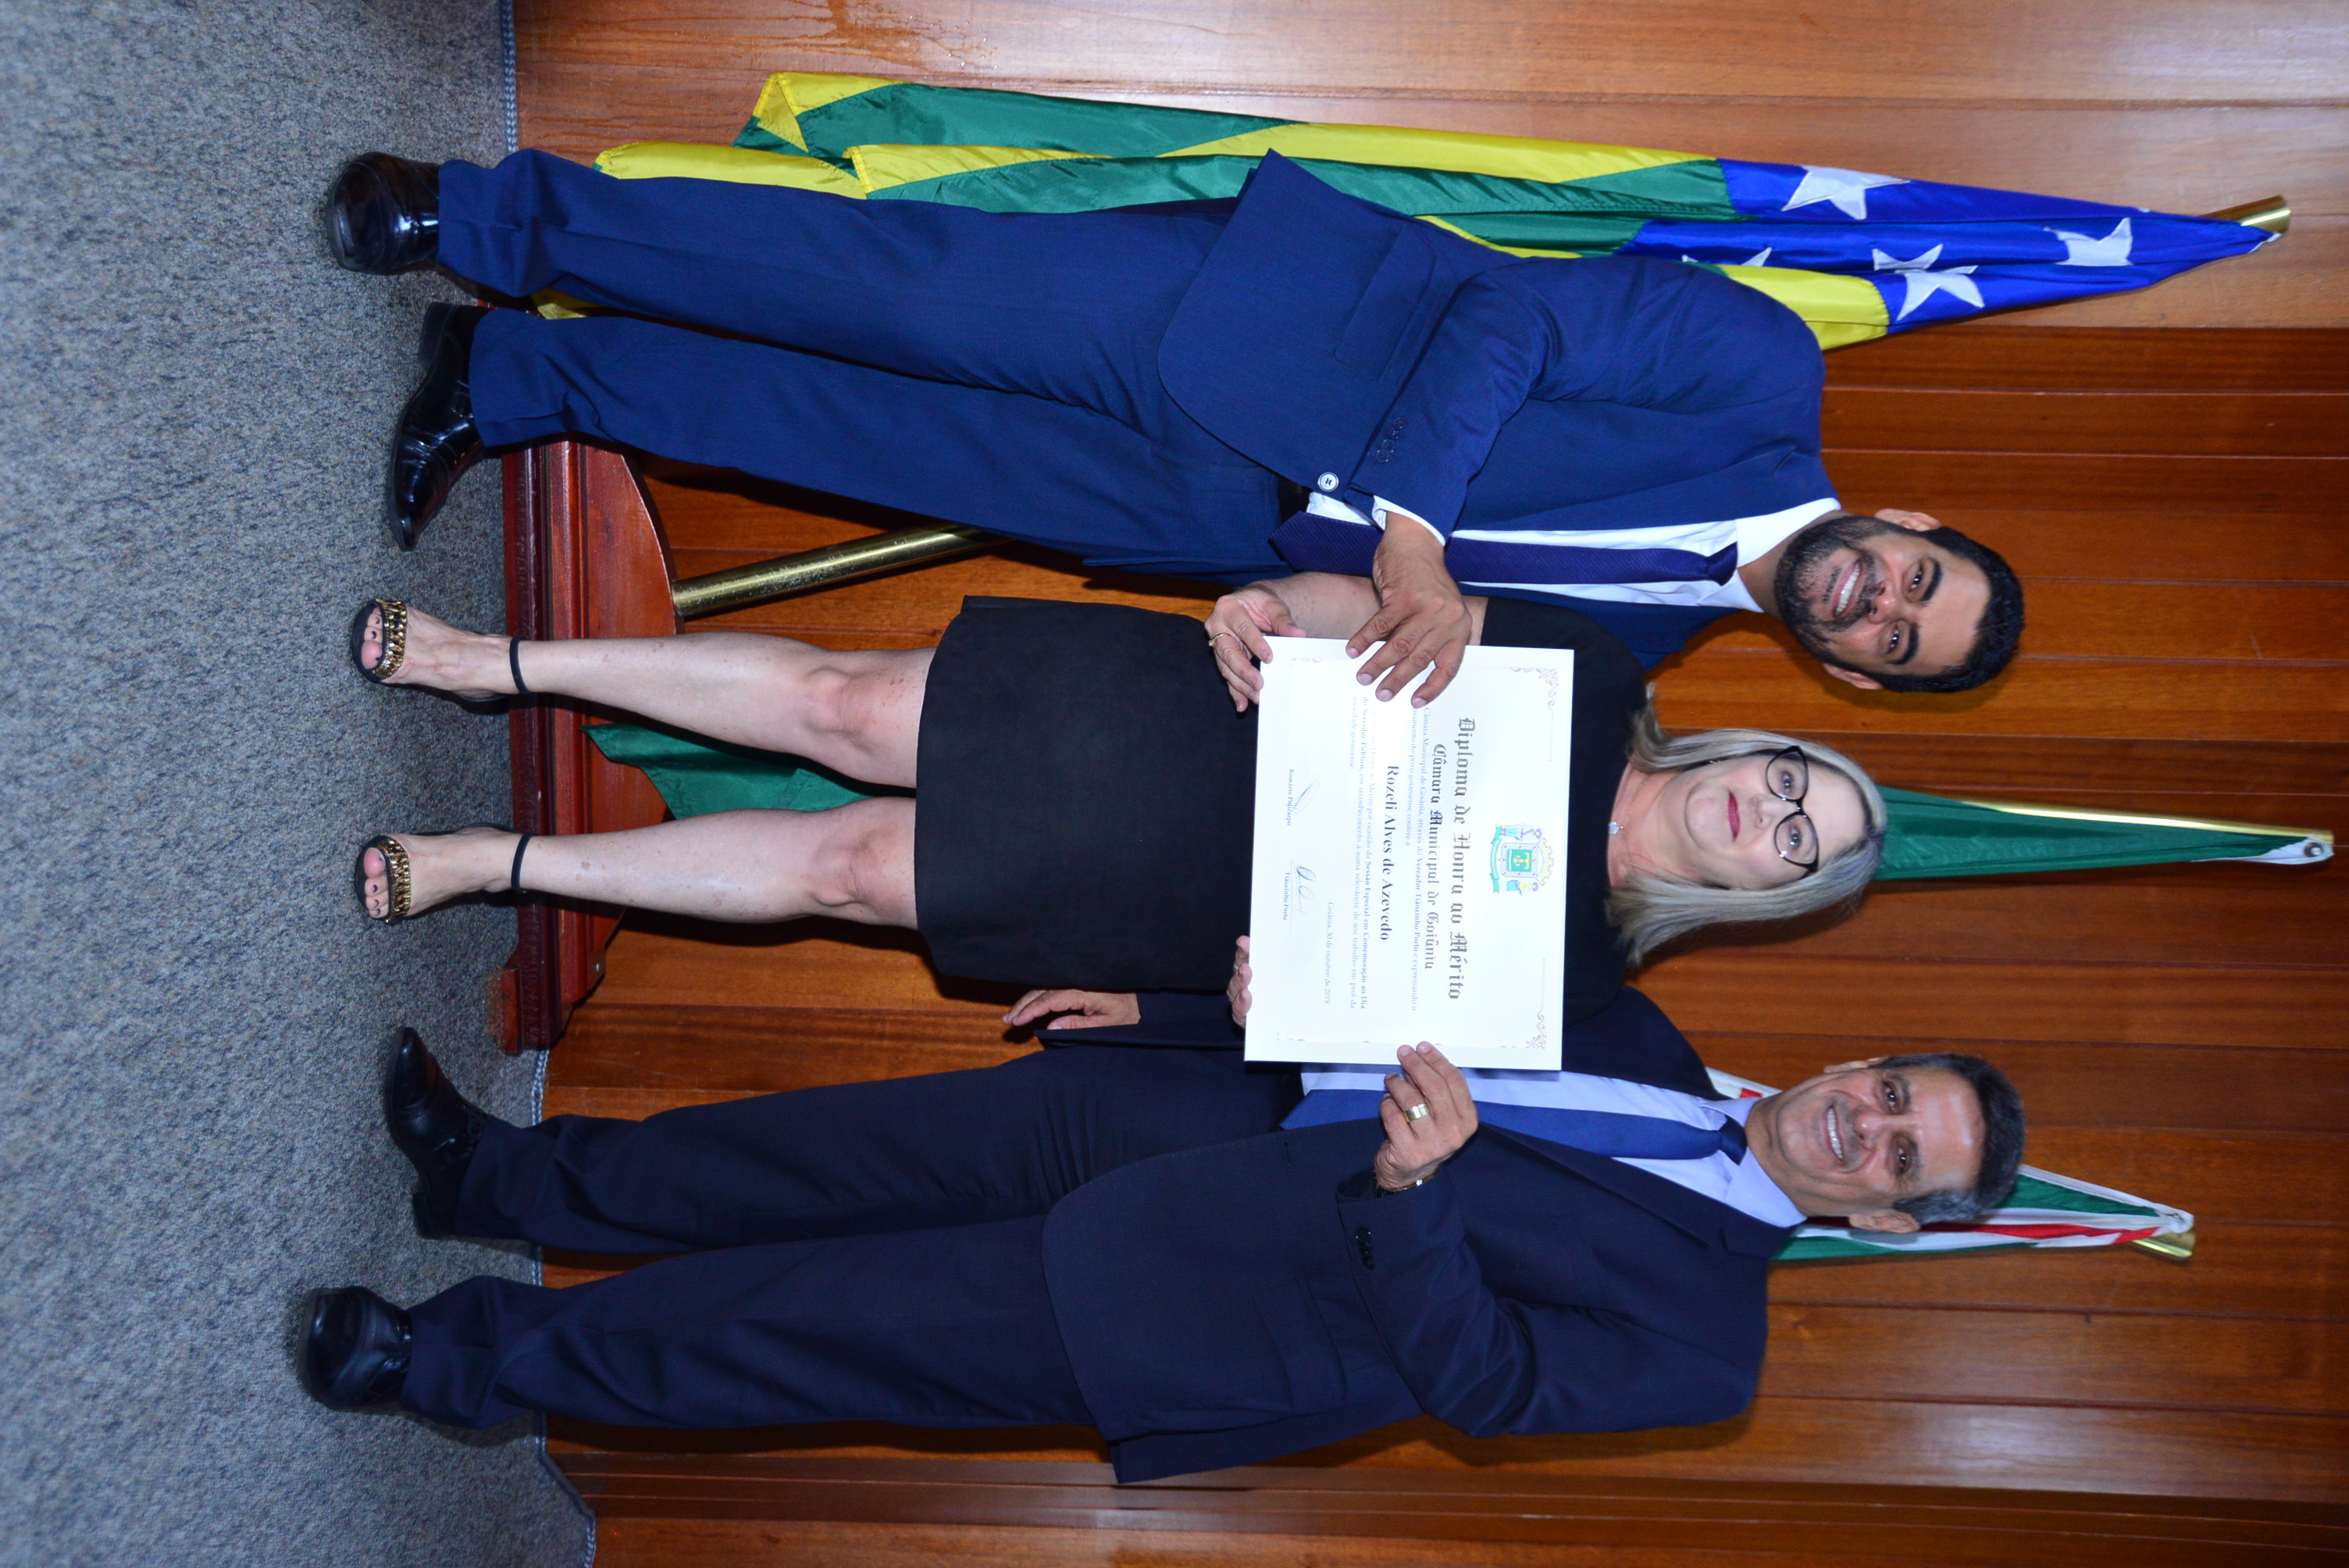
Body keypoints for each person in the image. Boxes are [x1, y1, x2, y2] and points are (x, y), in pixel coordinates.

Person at [323, 149, 2024, 701]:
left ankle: (506, 380)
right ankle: (479, 219)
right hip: (1250, 321)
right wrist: (1415, 534)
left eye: (1895, 637)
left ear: (1858, 678)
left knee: (842, 436)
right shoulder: (1761, 375)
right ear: (1917, 524)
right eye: (1913, 580)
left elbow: (1400, 628)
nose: (1877, 600)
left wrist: (1284, 616)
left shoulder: (1637, 655)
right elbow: (1511, 315)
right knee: (880, 288)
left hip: (1203, 513)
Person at [300, 1011, 2024, 1479]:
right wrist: (1176, 1004)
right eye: (1892, 1092)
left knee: (790, 1323)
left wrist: (1419, 1194)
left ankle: (451, 1363)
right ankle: (498, 1178)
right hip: (1183, 1108)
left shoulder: (1711, 1350)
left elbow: (1488, 1388)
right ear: (1863, 1059)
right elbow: (1394, 976)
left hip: (1186, 1308)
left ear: (1887, 1217)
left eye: (1900, 1157)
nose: (1865, 1125)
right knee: (803, 1156)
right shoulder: (1642, 1033)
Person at [347, 588, 1886, 1021]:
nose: (1770, 813)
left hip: (1170, 901)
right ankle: (497, 662)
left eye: (1797, 843)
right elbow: (1382, 604)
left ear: (1774, 895)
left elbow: (1358, 1040)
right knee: (841, 705)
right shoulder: (1599, 673)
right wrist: (1275, 602)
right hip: (1196, 715)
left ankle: (500, 864)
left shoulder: (1584, 976)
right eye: (1791, 780)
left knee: (848, 872)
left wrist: (1229, 1011)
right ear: (1759, 747)